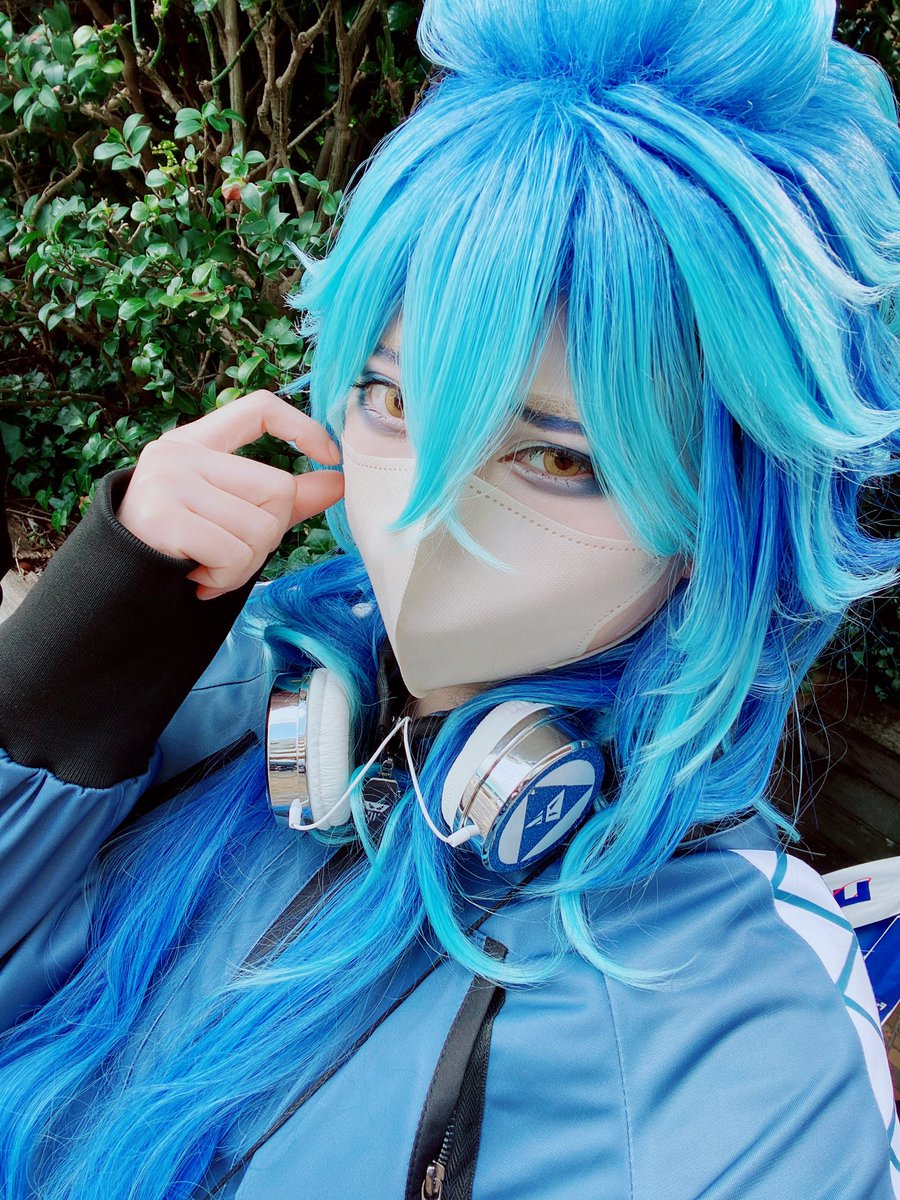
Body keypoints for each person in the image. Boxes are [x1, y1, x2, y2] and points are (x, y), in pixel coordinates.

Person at [0, 0, 898, 1196]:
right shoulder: (225, 687)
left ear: (723, 526)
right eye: (392, 401)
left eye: (557, 457)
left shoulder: (746, 1041)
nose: (423, 520)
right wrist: (88, 645)